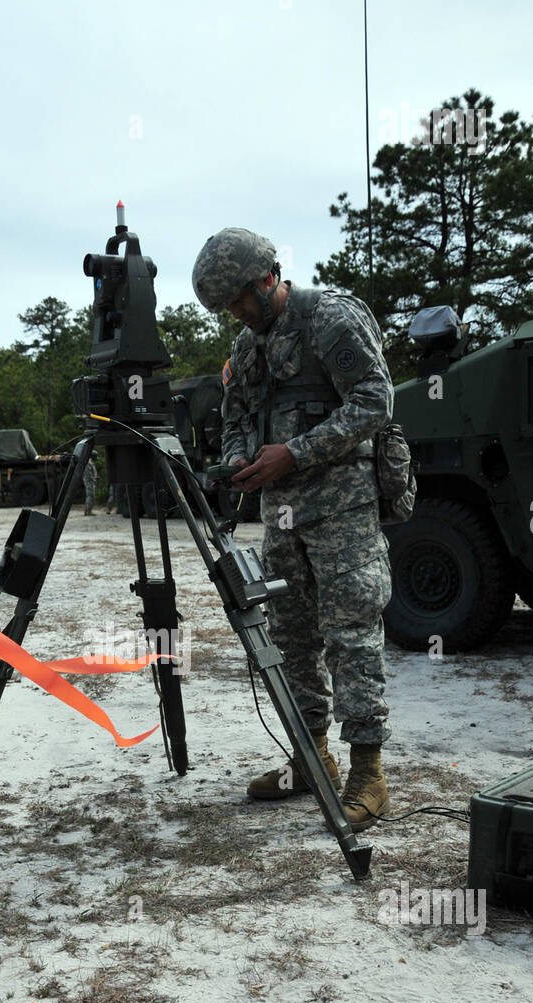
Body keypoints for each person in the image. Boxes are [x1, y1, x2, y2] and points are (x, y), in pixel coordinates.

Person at [191, 227, 394, 828]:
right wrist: (235, 462)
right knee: (292, 638)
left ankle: (368, 774)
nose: (235, 314)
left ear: (266, 279)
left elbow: (376, 401)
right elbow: (235, 419)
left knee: (350, 634)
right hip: (280, 515)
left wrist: (297, 453)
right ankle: (313, 760)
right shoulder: (249, 347)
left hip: (341, 510)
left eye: (237, 301)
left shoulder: (329, 318)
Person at [84, 450, 98, 515]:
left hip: (91, 481)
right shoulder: (88, 462)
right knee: (90, 496)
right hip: (89, 481)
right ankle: (88, 511)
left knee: (91, 496)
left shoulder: (91, 462)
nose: (96, 457)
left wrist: (96, 477)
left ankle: (88, 511)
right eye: (95, 456)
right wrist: (94, 479)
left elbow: (92, 473)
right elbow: (88, 474)